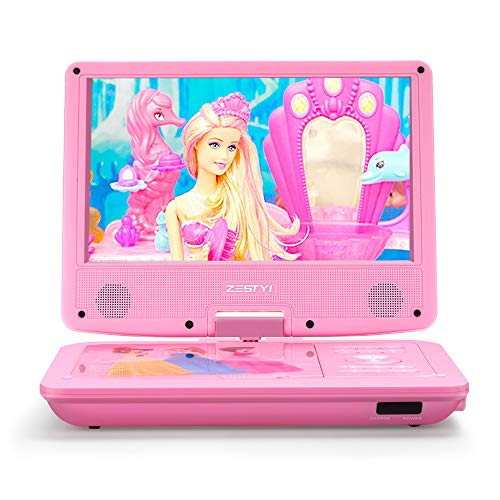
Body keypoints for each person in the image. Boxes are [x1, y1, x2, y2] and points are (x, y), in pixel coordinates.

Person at [165, 92, 300, 261]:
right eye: (215, 144)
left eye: (231, 147)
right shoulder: (176, 208)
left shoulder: (238, 199)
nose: (224, 156)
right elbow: (176, 268)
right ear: (196, 143)